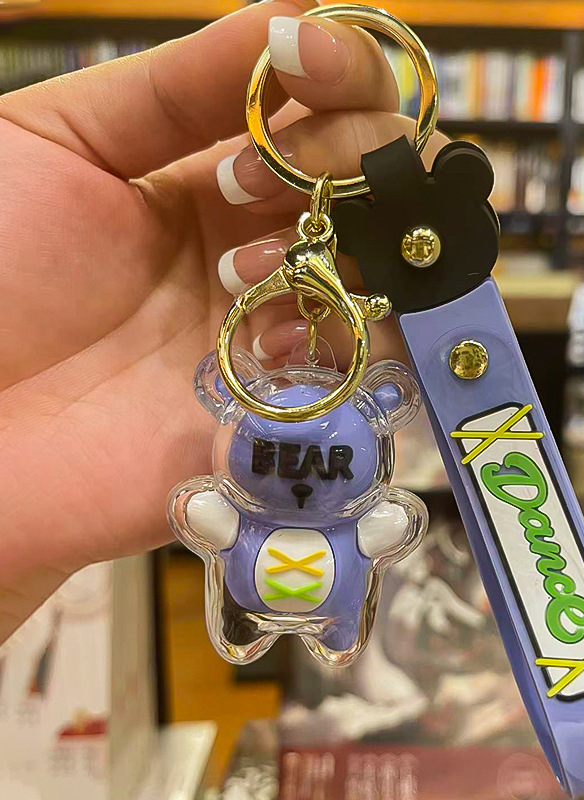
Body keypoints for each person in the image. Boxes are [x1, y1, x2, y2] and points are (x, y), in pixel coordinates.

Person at [0, 0, 448, 644]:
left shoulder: (331, 489)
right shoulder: (251, 489)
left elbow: (373, 526)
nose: (302, 477)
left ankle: (335, 626)